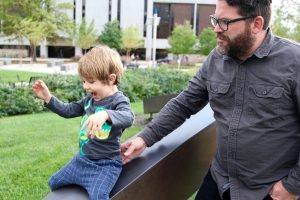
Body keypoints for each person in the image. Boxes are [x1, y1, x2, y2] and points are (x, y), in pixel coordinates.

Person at [121, 0, 300, 199]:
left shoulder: (295, 61)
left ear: (256, 24)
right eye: (215, 19)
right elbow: (185, 103)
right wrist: (144, 138)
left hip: (267, 191)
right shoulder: (216, 58)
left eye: (224, 22)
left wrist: (292, 186)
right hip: (220, 180)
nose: (215, 29)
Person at [32, 45, 134, 200]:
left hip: (105, 165)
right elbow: (68, 110)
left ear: (111, 79)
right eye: (84, 81)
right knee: (54, 182)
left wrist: (106, 114)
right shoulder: (90, 100)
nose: (86, 86)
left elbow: (128, 117)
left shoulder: (119, 101)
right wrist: (48, 98)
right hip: (82, 160)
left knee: (99, 196)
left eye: (91, 81)